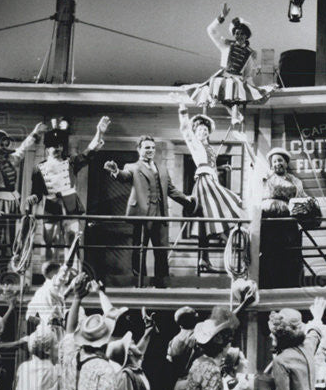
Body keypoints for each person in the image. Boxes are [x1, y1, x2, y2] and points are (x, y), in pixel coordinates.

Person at [104, 134, 194, 287]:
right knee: (140, 251)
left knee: (161, 252)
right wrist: (115, 171)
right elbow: (123, 176)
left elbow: (171, 190)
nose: (150, 150)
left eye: (152, 148)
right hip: (141, 215)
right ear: (139, 149)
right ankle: (140, 284)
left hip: (161, 216)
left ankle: (162, 285)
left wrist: (187, 200)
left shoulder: (162, 169)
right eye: (146, 148)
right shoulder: (132, 167)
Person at [24, 116, 111, 264]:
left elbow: (88, 152)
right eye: (53, 146)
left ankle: (74, 275)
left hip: (71, 206)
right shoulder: (39, 168)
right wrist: (33, 198)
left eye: (59, 145)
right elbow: (37, 192)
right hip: (51, 208)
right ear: (47, 148)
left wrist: (99, 132)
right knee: (49, 243)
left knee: (73, 243)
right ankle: (50, 277)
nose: (57, 148)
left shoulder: (71, 162)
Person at [178, 106, 246, 275]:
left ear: (208, 132)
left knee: (207, 220)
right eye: (199, 130)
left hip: (210, 180)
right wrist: (183, 113)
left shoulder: (209, 148)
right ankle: (229, 241)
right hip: (204, 183)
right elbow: (185, 131)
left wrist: (222, 167)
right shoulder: (195, 145)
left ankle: (205, 258)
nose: (202, 132)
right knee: (225, 207)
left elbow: (210, 167)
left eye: (204, 129)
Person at [186, 3, 275, 125]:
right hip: (223, 76)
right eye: (237, 33)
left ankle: (235, 116)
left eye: (242, 34)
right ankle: (229, 113)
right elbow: (210, 30)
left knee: (236, 86)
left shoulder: (249, 54)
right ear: (234, 34)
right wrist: (221, 17)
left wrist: (253, 89)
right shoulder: (226, 46)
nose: (239, 36)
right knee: (216, 86)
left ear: (246, 36)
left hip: (237, 80)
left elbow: (248, 74)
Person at [0, 124, 45, 272]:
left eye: (6, 144)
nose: (5, 147)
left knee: (11, 239)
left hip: (13, 202)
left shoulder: (10, 159)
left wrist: (34, 133)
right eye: (1, 144)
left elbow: (23, 149)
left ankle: (4, 271)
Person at [259, 147, 310, 288]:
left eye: (280, 160)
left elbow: (301, 196)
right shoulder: (266, 177)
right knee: (270, 256)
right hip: (270, 223)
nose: (277, 164)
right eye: (274, 161)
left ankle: (291, 286)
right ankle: (269, 286)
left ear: (286, 163)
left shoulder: (295, 181)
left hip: (289, 225)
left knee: (291, 256)